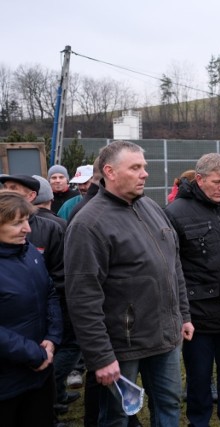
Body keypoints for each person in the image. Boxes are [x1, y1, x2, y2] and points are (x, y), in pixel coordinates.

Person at [65, 140, 194, 426]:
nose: (144, 173)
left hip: (165, 337)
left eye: (144, 167)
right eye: (135, 167)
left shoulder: (151, 206)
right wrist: (100, 356)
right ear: (110, 172)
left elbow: (172, 265)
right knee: (117, 417)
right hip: (121, 346)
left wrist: (183, 315)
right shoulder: (88, 224)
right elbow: (82, 298)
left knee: (169, 405)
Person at [165, 153, 220, 427]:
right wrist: (182, 313)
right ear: (199, 179)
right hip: (198, 316)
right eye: (216, 182)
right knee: (199, 378)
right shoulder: (175, 213)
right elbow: (171, 266)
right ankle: (198, 422)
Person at [0, 191, 63, 426]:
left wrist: (52, 337)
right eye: (17, 223)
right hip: (7, 382)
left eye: (27, 220)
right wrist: (33, 353)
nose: (27, 228)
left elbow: (49, 293)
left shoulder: (29, 253)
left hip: (40, 373)